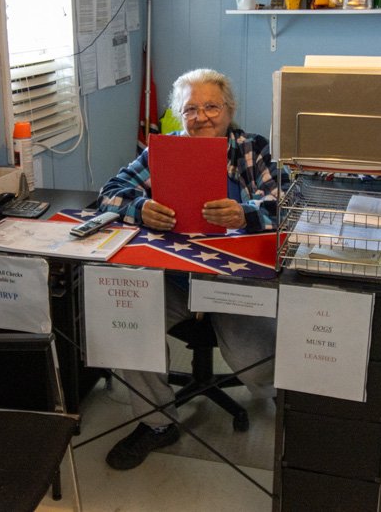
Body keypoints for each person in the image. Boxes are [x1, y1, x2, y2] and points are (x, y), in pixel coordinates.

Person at [97, 68, 281, 470]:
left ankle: (278, 392)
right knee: (128, 322)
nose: (202, 117)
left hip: (234, 281)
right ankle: (158, 423)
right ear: (179, 116)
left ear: (229, 109)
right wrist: (140, 208)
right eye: (190, 110)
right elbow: (109, 193)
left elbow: (283, 205)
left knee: (257, 364)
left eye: (211, 106)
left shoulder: (250, 149)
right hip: (177, 280)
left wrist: (245, 213)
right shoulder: (165, 151)